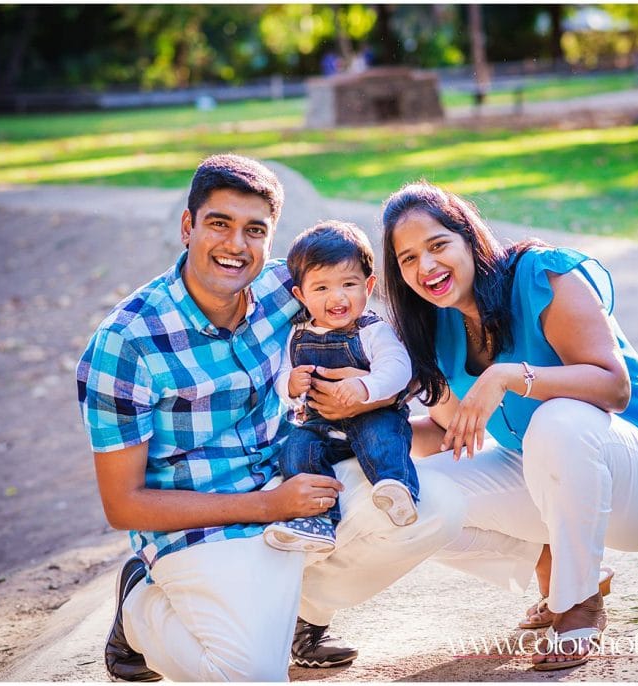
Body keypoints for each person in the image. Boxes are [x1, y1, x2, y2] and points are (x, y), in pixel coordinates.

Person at [76, 157, 465, 682]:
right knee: (252, 675)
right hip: (202, 525)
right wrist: (267, 505)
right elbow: (123, 505)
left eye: (254, 230)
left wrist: (422, 408)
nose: (236, 245)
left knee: (434, 505)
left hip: (292, 481)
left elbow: (378, 321)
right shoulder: (126, 342)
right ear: (188, 226)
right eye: (219, 224)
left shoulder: (295, 288)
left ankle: (303, 615)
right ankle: (139, 610)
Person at [379, 182, 638, 670]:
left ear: (469, 237)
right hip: (553, 480)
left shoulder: (540, 275)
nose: (426, 267)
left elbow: (614, 388)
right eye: (407, 259)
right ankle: (560, 568)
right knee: (408, 495)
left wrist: (509, 375)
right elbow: (451, 433)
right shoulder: (440, 327)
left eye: (437, 245)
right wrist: (366, 436)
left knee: (560, 419)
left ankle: (578, 606)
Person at [265, 221, 419, 554]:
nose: (337, 297)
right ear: (300, 295)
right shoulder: (297, 335)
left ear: (369, 285)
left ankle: (395, 486)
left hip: (372, 416)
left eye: (349, 284)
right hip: (322, 425)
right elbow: (281, 372)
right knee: (296, 448)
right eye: (321, 289)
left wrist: (367, 387)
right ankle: (319, 519)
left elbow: (398, 367)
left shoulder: (372, 331)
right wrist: (289, 386)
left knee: (382, 437)